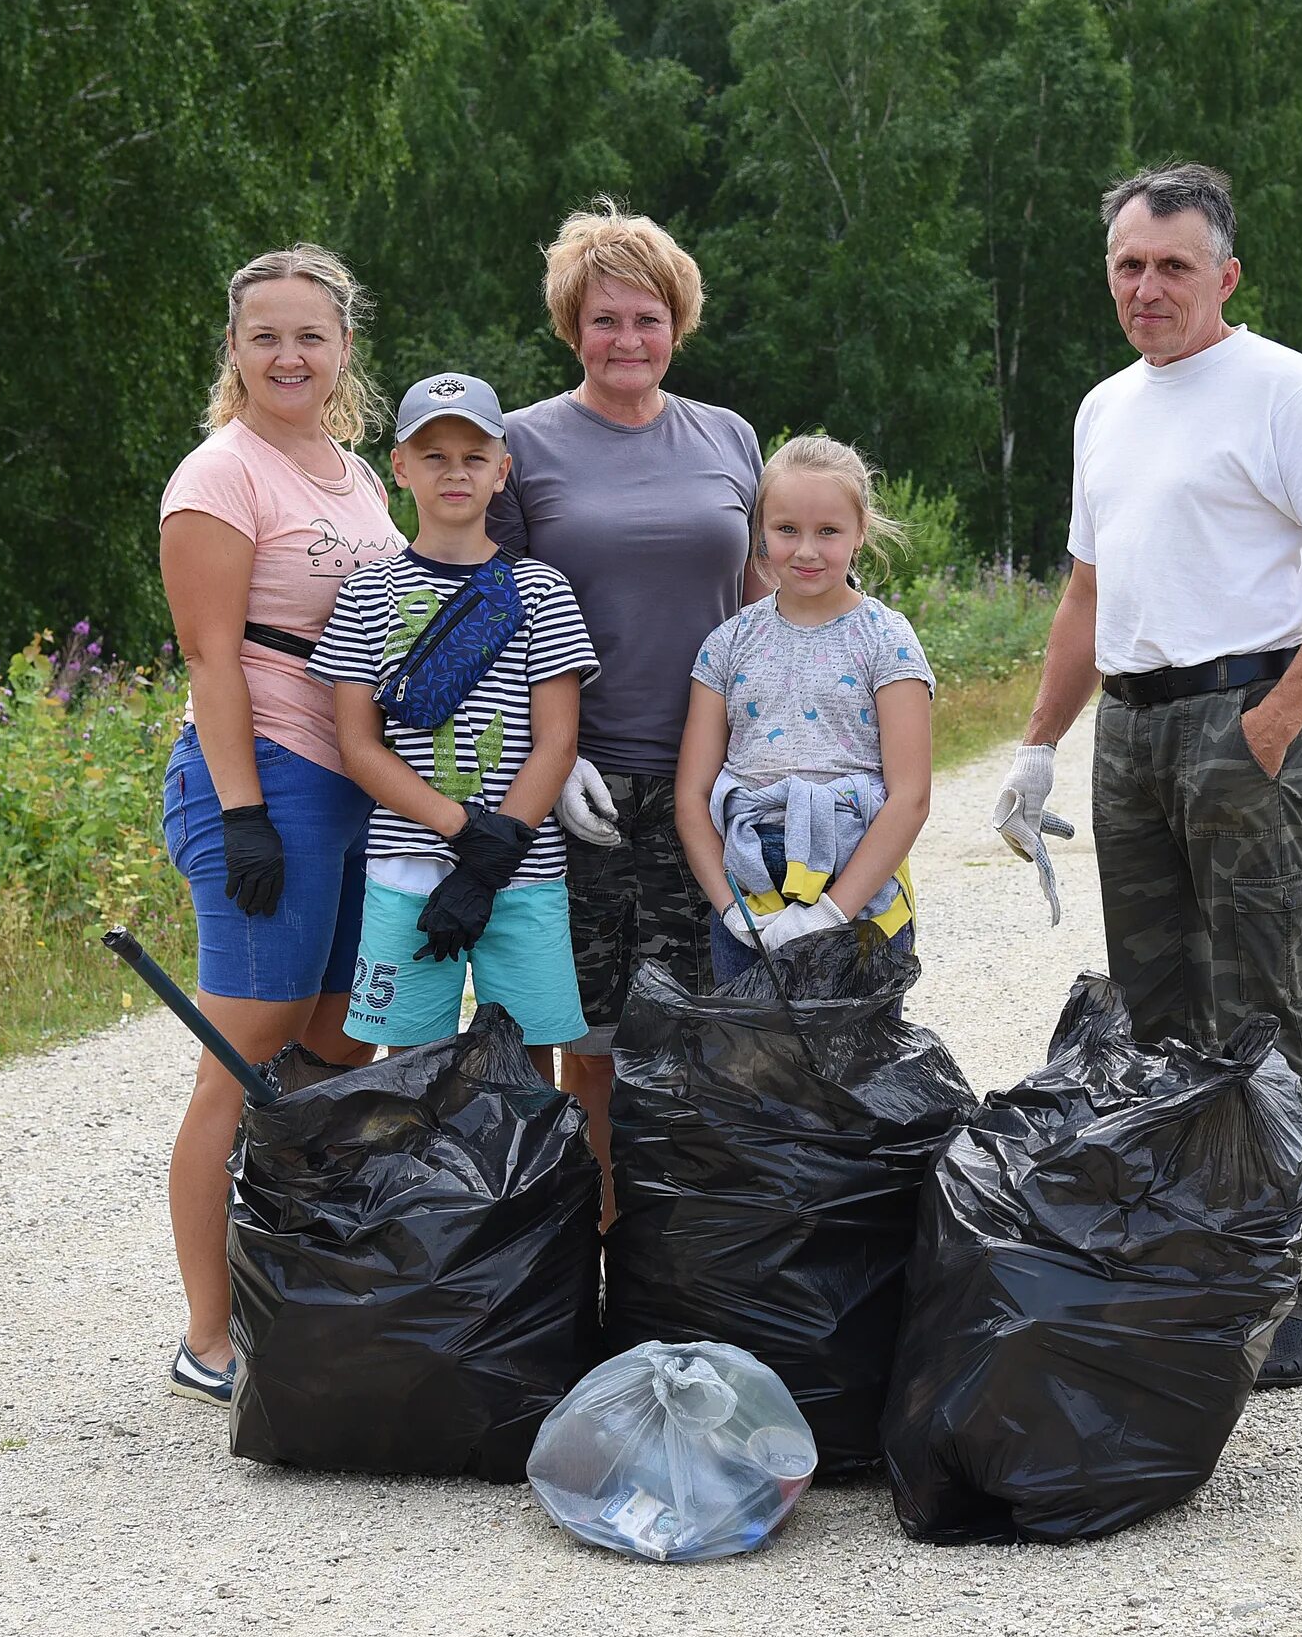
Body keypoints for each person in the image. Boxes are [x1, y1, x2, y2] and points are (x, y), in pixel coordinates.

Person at [991, 163, 1302, 1390]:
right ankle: (1201, 1267)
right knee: (1156, 1025)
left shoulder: (1281, 387)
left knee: (1269, 1018)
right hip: (1132, 729)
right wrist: (1037, 740)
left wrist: (1273, 726)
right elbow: (1086, 592)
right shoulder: (1104, 408)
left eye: (1175, 265)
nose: (1149, 285)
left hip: (1240, 713)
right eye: (1130, 264)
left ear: (1224, 275)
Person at [155, 244, 406, 1406]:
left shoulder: (353, 473)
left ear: (344, 345)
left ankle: (291, 1281)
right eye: (265, 336)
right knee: (243, 1050)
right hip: (262, 776)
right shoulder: (221, 476)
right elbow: (212, 656)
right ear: (235, 350)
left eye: (310, 335)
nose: (289, 355)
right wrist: (246, 812)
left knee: (344, 1043)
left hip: (359, 780)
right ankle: (210, 1333)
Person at [487, 203, 759, 1187]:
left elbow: (764, 602)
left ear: (677, 324)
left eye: (647, 318)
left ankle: (686, 1261)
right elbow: (496, 620)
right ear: (573, 327)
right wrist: (551, 757)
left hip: (712, 783)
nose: (627, 340)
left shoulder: (729, 436)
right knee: (592, 1042)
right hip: (585, 787)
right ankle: (598, 1254)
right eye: (605, 320)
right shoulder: (520, 443)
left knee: (708, 1031)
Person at [308, 374, 598, 1054]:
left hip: (522, 867)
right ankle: (418, 1169)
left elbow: (556, 743)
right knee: (410, 1065)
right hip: (405, 864)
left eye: (474, 456)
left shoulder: (541, 590)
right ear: (400, 469)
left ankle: (521, 1169)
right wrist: (460, 830)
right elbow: (359, 746)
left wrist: (486, 864)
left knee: (525, 1067)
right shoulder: (365, 594)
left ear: (503, 470)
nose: (455, 472)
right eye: (434, 455)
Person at [675, 435, 934, 981]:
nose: (806, 550)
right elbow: (693, 797)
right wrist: (729, 909)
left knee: (862, 1064)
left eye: (829, 531)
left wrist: (833, 910)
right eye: (787, 530)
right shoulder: (727, 643)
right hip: (750, 890)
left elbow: (910, 797)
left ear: (860, 532)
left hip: (859, 894)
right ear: (761, 533)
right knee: (755, 1063)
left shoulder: (887, 639)